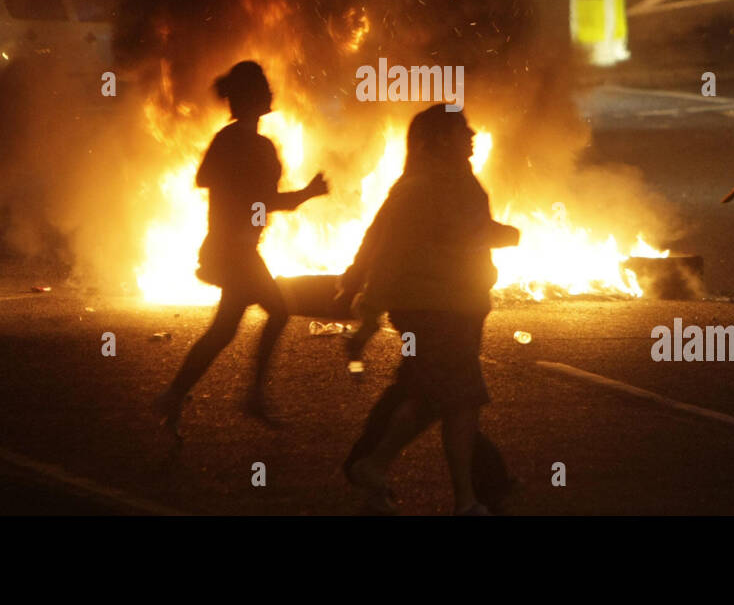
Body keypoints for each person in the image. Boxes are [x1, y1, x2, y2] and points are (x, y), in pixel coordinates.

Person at [341, 104, 519, 515]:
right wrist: (368, 310)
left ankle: (371, 464)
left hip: (463, 306)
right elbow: (389, 252)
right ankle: (468, 500)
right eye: (462, 130)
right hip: (432, 309)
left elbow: (467, 232)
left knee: (428, 398)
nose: (472, 135)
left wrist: (505, 235)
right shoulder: (418, 189)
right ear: (438, 138)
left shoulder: (461, 182)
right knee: (461, 400)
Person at [154, 61, 328, 431]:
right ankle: (253, 395)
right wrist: (306, 194)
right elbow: (262, 199)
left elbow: (211, 180)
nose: (270, 92)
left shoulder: (232, 139)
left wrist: (257, 193)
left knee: (224, 330)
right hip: (236, 250)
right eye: (263, 87)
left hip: (231, 247)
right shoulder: (248, 143)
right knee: (279, 310)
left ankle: (174, 394)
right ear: (252, 97)